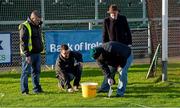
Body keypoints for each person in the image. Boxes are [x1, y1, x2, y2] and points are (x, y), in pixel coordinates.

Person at [99, 4, 133, 93]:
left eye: (114, 12)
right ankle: (104, 88)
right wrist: (104, 47)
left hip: (123, 48)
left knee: (122, 70)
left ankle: (120, 91)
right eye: (111, 13)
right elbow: (104, 35)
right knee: (111, 69)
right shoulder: (106, 21)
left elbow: (128, 32)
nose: (113, 14)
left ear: (117, 12)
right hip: (111, 49)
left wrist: (129, 44)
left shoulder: (123, 19)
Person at [19, 10, 44, 95]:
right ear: (32, 18)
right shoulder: (24, 26)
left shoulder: (37, 25)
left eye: (39, 20)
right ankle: (24, 91)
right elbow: (23, 42)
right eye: (37, 20)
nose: (39, 21)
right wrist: (27, 55)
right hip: (28, 54)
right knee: (25, 72)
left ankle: (37, 89)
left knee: (36, 72)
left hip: (37, 53)